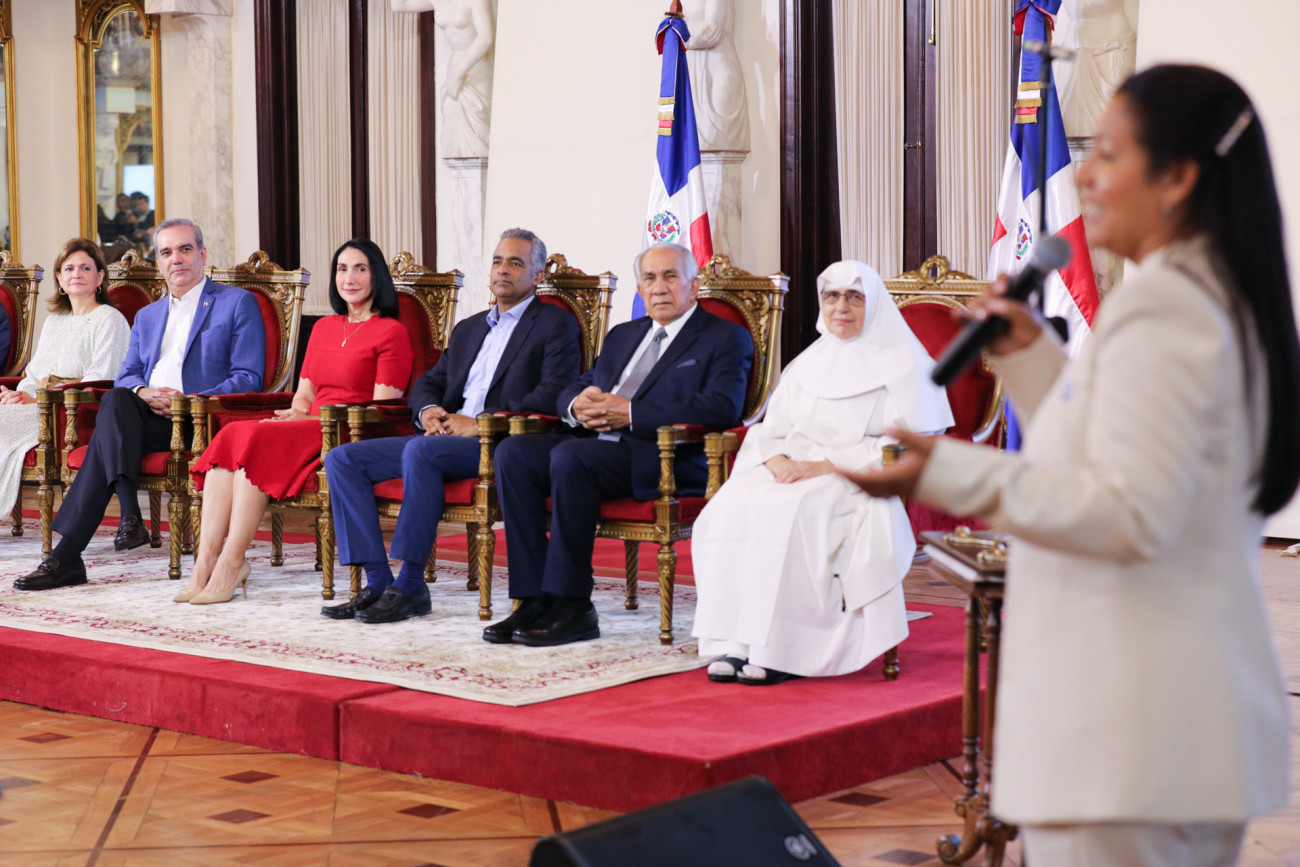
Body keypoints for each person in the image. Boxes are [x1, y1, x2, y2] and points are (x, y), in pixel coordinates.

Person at [841, 65, 1298, 866]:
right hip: (1167, 728)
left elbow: (1126, 511)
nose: (1084, 175)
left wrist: (945, 473)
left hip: (1129, 739)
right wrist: (1030, 359)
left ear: (1177, 178)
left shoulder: (1166, 306)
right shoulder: (1207, 292)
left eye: (1109, 154)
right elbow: (1110, 447)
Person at [691, 261, 952, 685]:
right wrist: (775, 460)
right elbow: (771, 429)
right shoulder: (808, 363)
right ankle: (733, 642)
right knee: (728, 509)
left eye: (854, 297)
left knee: (794, 515)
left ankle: (783, 650)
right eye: (832, 296)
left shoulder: (905, 365)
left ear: (874, 304)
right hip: (792, 468)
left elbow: (908, 442)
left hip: (856, 475)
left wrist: (825, 466)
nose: (841, 307)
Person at [488, 242, 753, 647]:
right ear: (640, 289)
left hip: (661, 456)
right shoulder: (623, 335)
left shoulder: (724, 337)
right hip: (593, 443)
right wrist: (577, 405)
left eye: (670, 276)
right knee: (514, 453)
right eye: (649, 278)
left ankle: (572, 604)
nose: (659, 287)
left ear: (694, 285)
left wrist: (630, 413)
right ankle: (533, 598)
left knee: (572, 457)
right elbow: (580, 384)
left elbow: (721, 406)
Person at [322, 228, 581, 624]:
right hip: (445, 437)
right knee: (343, 459)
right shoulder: (470, 328)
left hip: (501, 443)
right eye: (497, 261)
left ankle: (410, 584)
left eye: (516, 263)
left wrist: (480, 424)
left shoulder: (554, 324)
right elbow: (431, 380)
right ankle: (378, 581)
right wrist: (428, 410)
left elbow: (555, 392)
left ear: (538, 275)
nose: (503, 270)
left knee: (421, 449)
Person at [14, 219, 265, 591]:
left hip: (202, 421)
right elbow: (127, 375)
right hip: (150, 418)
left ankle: (71, 554)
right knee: (119, 397)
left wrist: (190, 401)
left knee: (105, 440)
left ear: (202, 253)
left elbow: (248, 377)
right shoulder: (148, 315)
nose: (176, 259)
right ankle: (125, 519)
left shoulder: (236, 302)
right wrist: (144, 392)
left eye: (185, 249)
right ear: (159, 261)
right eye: (166, 252)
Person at [178, 239, 414, 605]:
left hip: (350, 430)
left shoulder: (391, 332)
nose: (349, 278)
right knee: (235, 433)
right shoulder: (324, 328)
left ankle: (232, 562)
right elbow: (304, 393)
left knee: (259, 442)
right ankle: (205, 562)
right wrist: (297, 411)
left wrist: (313, 416)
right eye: (342, 269)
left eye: (360, 269)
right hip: (310, 424)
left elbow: (382, 407)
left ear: (376, 277)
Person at [0, 238, 131, 517]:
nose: (76, 274)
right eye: (69, 269)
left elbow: (102, 379)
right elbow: (34, 373)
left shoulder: (110, 319)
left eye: (85, 268)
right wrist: (17, 394)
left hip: (73, 413)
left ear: (100, 277)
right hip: (36, 405)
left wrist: (39, 399)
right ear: (59, 278)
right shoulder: (54, 321)